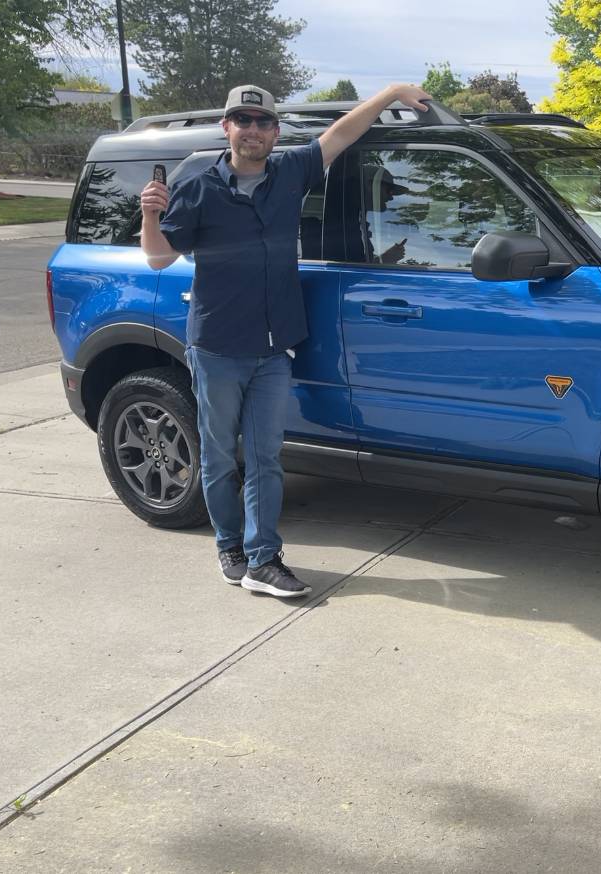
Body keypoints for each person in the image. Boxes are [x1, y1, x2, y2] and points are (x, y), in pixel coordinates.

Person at [139, 82, 431, 598]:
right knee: (218, 456)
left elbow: (343, 132)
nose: (252, 129)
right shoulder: (198, 188)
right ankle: (230, 546)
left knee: (266, 456)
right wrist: (150, 214)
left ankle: (264, 558)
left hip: (274, 348)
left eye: (262, 122)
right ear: (227, 127)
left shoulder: (292, 171)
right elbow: (160, 257)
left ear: (275, 132)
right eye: (242, 120)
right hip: (217, 347)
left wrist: (393, 93)